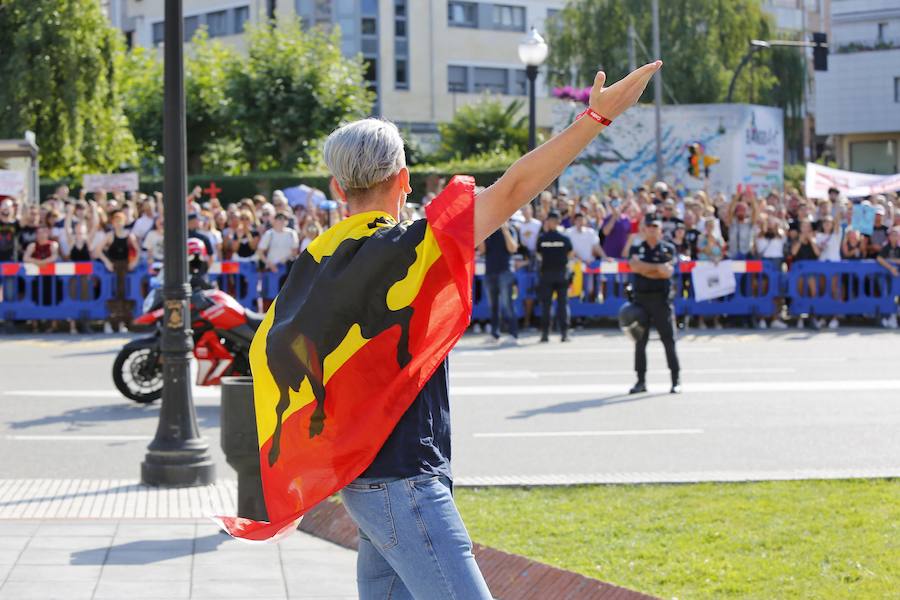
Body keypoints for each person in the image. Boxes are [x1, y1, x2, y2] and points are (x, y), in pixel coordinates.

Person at [223, 62, 662, 596]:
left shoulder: (317, 260)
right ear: (404, 180)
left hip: (361, 480)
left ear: (338, 188)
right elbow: (515, 186)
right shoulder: (414, 249)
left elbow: (275, 350)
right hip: (405, 483)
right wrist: (597, 116)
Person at [628, 216, 680, 394]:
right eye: (648, 226)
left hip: (661, 300)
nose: (651, 229)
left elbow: (666, 272)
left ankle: (675, 379)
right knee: (640, 342)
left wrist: (645, 268)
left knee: (668, 340)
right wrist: (655, 269)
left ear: (660, 229)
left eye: (655, 226)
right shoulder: (637, 247)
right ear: (644, 229)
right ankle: (640, 381)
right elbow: (634, 267)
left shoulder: (668, 248)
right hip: (641, 301)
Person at [478, 220, 520, 344]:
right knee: (493, 306)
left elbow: (513, 248)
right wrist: (481, 233)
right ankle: (495, 334)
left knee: (508, 305)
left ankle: (513, 334)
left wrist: (505, 230)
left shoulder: (510, 229)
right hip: (490, 271)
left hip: (505, 272)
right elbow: (482, 251)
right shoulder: (488, 229)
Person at [536, 211, 573, 343]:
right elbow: (570, 254)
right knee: (562, 305)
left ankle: (545, 334)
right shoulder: (565, 239)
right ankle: (564, 334)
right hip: (561, 274)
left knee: (547, 305)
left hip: (547, 274)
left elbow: (539, 255)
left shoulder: (542, 239)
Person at [876, 226, 900, 329]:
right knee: (887, 295)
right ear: (889, 237)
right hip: (887, 278)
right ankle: (888, 316)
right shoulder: (886, 247)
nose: (894, 237)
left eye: (896, 235)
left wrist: (891, 260)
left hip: (898, 279)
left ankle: (894, 317)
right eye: (892, 235)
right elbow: (879, 258)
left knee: (897, 298)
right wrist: (891, 268)